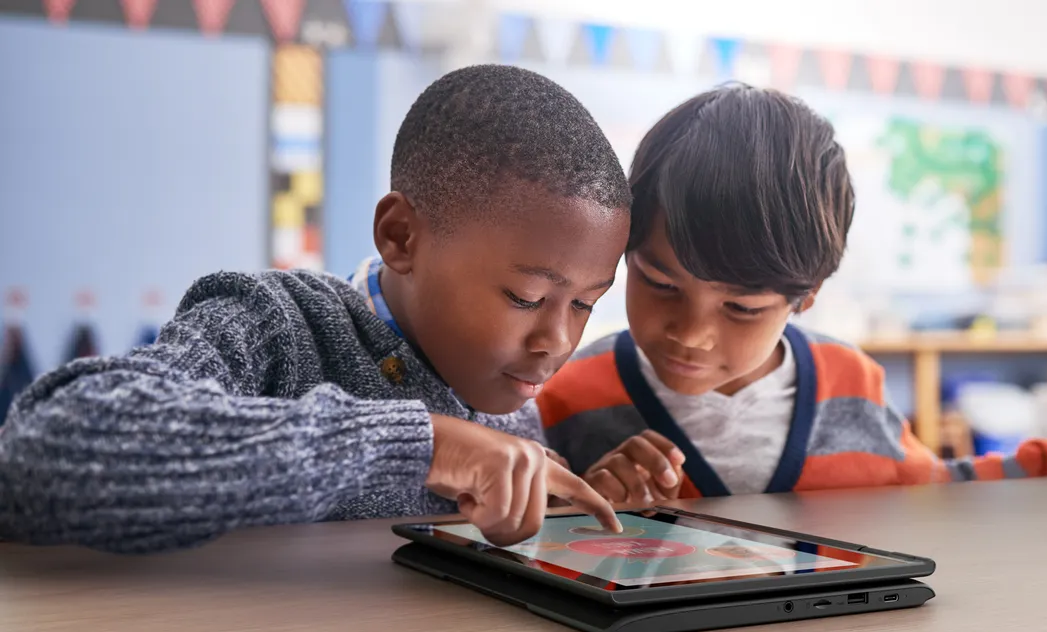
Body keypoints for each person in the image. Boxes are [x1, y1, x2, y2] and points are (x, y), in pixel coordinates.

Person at [0, 65, 628, 553]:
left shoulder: (511, 403)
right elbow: (42, 449)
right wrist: (422, 445)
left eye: (584, 305)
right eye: (525, 297)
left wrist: (574, 506)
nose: (556, 340)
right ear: (402, 237)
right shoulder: (275, 326)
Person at [537, 84, 1047, 504]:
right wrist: (580, 509)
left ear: (808, 295)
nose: (692, 332)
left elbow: (941, 493)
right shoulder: (568, 398)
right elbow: (519, 541)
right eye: (658, 283)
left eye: (741, 307)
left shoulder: (849, 383)